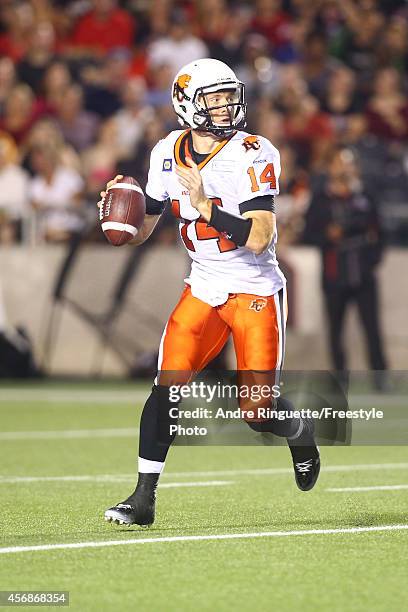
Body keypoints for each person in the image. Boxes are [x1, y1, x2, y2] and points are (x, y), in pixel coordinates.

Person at [100, 58, 320, 528]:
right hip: (203, 284)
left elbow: (260, 236)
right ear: (186, 103)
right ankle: (143, 498)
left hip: (254, 288)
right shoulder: (166, 151)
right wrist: (119, 222)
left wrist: (204, 208)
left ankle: (299, 430)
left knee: (257, 412)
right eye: (214, 98)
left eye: (228, 96)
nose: (225, 106)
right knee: (166, 387)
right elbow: (146, 229)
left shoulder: (254, 152)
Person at [304, 147, 388, 386]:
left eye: (348, 163)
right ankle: (340, 378)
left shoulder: (364, 195)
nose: (344, 168)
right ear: (330, 167)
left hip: (362, 271)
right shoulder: (321, 198)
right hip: (334, 271)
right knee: (336, 330)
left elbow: (379, 231)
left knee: (372, 327)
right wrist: (328, 236)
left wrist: (372, 259)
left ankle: (380, 376)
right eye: (339, 162)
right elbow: (309, 233)